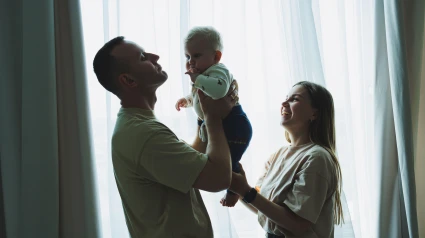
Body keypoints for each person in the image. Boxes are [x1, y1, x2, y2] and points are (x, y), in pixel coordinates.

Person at [92, 36, 239, 238]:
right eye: (143, 57)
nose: (156, 56)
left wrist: (203, 113)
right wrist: (213, 118)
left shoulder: (137, 124)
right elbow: (219, 178)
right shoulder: (144, 134)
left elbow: (192, 162)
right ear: (129, 80)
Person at [228, 81, 344, 238]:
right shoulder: (278, 156)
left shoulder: (317, 158)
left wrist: (245, 191)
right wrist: (238, 188)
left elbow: (298, 224)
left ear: (314, 114)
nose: (283, 103)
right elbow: (262, 208)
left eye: (294, 99)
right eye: (286, 98)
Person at [175, 26, 253, 207]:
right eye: (187, 57)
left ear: (216, 57)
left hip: (235, 125)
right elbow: (199, 96)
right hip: (219, 124)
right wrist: (187, 100)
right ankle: (235, 186)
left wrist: (198, 80)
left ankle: (234, 191)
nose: (190, 62)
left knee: (227, 162)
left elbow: (218, 91)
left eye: (196, 56)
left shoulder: (218, 71)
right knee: (217, 160)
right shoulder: (204, 76)